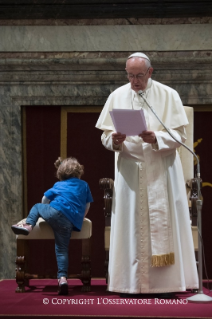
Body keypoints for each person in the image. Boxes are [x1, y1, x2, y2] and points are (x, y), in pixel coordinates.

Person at [96, 52, 198, 295]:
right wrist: (114, 140)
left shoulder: (168, 94)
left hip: (161, 170)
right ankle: (128, 283)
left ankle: (166, 284)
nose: (134, 82)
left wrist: (157, 137)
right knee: (131, 227)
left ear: (150, 72)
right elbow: (104, 137)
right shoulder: (117, 95)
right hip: (130, 172)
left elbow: (181, 136)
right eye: (130, 76)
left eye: (139, 76)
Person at [11, 157, 93, 295]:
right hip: (69, 222)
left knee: (37, 206)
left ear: (61, 173)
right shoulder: (84, 185)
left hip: (54, 212)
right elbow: (87, 205)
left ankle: (28, 226)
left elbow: (44, 199)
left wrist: (48, 211)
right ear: (79, 171)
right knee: (62, 250)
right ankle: (62, 279)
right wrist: (81, 217)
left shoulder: (58, 184)